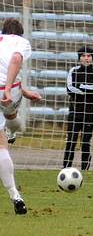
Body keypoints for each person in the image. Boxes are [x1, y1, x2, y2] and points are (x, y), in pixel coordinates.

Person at [0, 18, 38, 214]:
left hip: (11, 88)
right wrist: (8, 90)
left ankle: (15, 194)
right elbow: (15, 60)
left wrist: (23, 90)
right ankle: (15, 194)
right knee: (6, 136)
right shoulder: (21, 42)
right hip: (6, 91)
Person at [63, 46, 93, 170]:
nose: (86, 58)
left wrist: (81, 87)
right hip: (75, 110)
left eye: (89, 56)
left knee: (86, 141)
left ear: (92, 58)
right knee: (71, 140)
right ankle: (66, 167)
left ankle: (85, 168)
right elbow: (70, 88)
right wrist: (87, 90)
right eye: (83, 56)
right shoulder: (73, 71)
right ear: (79, 58)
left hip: (91, 112)